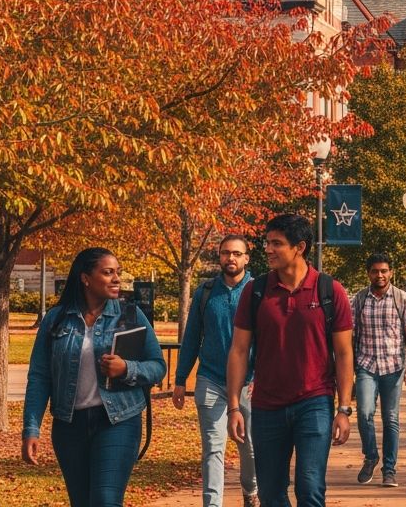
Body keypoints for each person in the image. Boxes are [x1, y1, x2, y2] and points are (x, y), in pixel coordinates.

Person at [226, 214, 354, 507]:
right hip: (266, 406)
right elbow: (238, 350)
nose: (268, 249)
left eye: (277, 243)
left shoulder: (330, 291)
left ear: (300, 247)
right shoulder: (255, 291)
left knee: (309, 488)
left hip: (315, 402)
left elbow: (345, 353)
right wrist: (234, 406)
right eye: (267, 242)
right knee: (271, 493)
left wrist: (344, 408)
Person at [22, 247, 166, 507]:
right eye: (108, 272)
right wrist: (31, 428)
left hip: (118, 422)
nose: (116, 279)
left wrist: (127, 369)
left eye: (117, 273)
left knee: (105, 501)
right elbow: (40, 376)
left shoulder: (130, 315)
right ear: (85, 278)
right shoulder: (56, 319)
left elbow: (157, 366)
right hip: (69, 425)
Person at [172, 234, 258, 507]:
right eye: (225, 253)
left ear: (246, 258)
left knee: (250, 448)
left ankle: (250, 491)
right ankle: (212, 504)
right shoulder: (206, 292)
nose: (230, 258)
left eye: (236, 253)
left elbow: (269, 339)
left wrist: (262, 377)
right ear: (219, 256)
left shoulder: (259, 291)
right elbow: (192, 338)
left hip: (250, 383)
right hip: (210, 379)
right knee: (213, 448)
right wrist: (180, 379)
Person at [351, 253, 406, 487]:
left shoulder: (402, 298)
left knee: (391, 418)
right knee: (364, 412)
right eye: (375, 271)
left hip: (393, 367)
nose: (379, 275)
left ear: (390, 272)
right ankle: (371, 456)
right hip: (366, 365)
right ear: (368, 273)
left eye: (384, 271)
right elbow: (349, 334)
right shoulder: (359, 299)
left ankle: (389, 469)